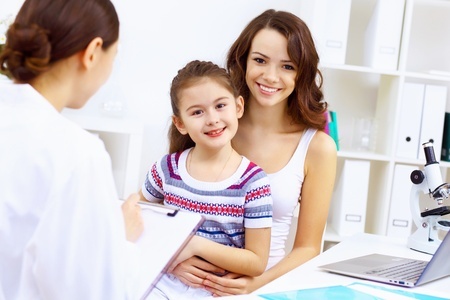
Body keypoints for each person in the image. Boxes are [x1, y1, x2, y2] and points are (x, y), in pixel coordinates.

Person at [171, 9, 337, 296]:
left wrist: (256, 283)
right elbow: (160, 210)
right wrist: (171, 261)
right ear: (243, 61)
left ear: (302, 72)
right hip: (183, 285)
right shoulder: (212, 125)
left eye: (287, 66)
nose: (271, 77)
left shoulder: (317, 148)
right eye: (260, 60)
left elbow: (308, 248)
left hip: (264, 288)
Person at [0, 0, 145, 299]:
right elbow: (97, 293)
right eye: (113, 56)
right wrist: (122, 240)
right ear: (92, 53)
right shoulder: (76, 153)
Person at [139, 60, 273, 298]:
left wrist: (192, 245)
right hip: (164, 285)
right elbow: (134, 216)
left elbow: (256, 262)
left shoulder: (253, 182)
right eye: (197, 112)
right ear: (180, 123)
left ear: (238, 107)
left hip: (217, 292)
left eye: (220, 105)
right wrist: (171, 259)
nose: (212, 119)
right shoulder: (167, 169)